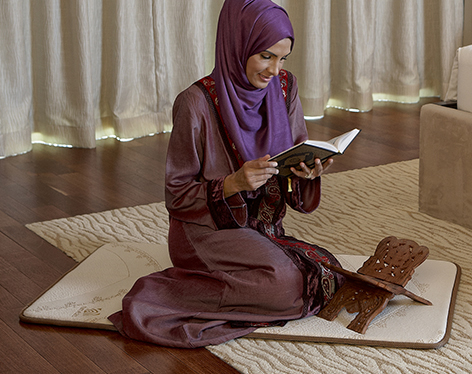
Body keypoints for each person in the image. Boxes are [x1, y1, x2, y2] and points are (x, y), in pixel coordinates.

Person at [108, 0, 343, 348]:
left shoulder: (284, 89)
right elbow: (177, 195)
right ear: (237, 44)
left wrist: (309, 171)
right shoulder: (195, 103)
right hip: (205, 231)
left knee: (329, 275)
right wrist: (233, 183)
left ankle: (249, 280)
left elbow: (293, 161)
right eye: (265, 56)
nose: (274, 70)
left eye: (283, 58)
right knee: (289, 286)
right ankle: (162, 292)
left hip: (260, 229)